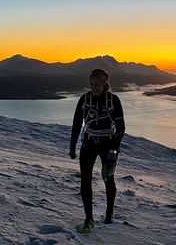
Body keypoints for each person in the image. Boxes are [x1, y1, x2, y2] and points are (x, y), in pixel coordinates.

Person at [69, 69, 125, 233]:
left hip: (108, 145)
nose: (94, 88)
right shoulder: (84, 99)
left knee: (108, 178)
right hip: (89, 144)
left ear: (104, 84)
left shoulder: (113, 100)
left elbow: (121, 128)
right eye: (91, 84)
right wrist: (72, 147)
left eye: (97, 84)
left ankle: (109, 213)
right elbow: (77, 123)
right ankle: (89, 219)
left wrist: (113, 151)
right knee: (85, 181)